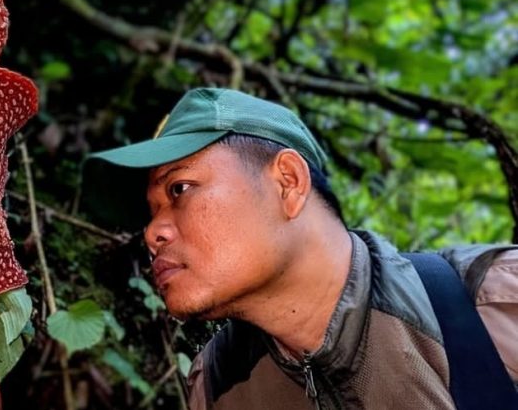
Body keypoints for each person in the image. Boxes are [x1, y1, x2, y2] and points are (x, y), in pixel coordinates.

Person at [87, 87, 518, 409]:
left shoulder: (495, 303)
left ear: (287, 183)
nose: (152, 233)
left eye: (180, 189)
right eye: (151, 211)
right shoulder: (218, 386)